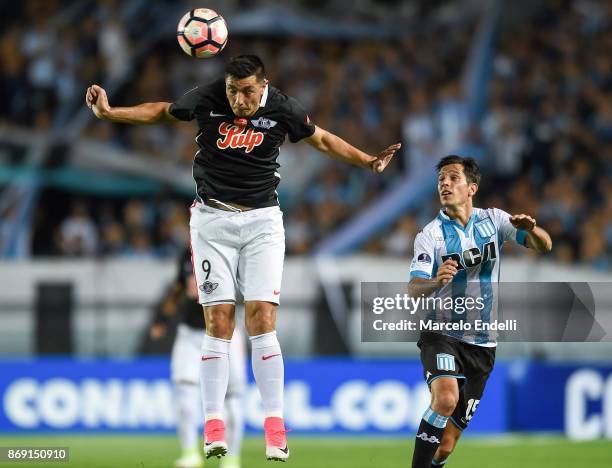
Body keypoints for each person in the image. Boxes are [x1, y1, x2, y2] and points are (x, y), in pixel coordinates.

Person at [85, 54, 400, 462]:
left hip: (263, 223)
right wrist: (111, 113)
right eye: (233, 91)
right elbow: (163, 111)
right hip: (212, 220)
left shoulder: (283, 107)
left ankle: (274, 424)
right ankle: (213, 424)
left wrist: (366, 160)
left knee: (261, 320)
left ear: (263, 85)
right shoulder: (209, 97)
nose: (239, 99)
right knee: (217, 321)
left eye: (247, 91)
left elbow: (321, 138)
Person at [408, 155, 552, 468]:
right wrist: (435, 281)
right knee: (445, 398)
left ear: (471, 187)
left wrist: (534, 229)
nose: (444, 184)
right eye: (441, 179)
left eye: (452, 178)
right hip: (441, 334)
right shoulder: (430, 235)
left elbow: (545, 246)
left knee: (445, 447)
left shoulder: (496, 220)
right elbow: (414, 287)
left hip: (483, 345)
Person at [149, 248, 246, 468]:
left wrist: (208, 288)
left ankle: (231, 459)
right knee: (184, 392)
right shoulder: (186, 255)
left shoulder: (231, 253)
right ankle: (190, 453)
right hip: (190, 334)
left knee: (231, 399)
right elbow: (177, 288)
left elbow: (244, 291)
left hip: (225, 335)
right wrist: (162, 318)